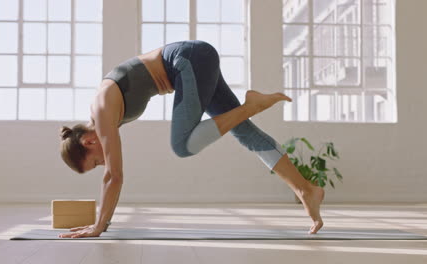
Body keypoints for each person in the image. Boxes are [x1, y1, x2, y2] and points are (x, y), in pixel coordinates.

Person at [58, 40, 324, 239]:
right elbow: (112, 174)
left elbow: (113, 176)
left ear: (88, 143)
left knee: (182, 145)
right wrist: (101, 221)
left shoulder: (102, 110)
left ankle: (251, 105)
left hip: (189, 60)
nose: (100, 166)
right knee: (244, 133)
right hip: (195, 60)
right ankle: (305, 190)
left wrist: (98, 226)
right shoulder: (106, 116)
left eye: (94, 163)